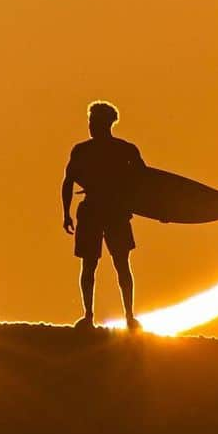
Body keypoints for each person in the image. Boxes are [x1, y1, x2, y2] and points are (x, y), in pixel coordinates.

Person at [61, 101, 144, 330]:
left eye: (93, 122)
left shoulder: (125, 150)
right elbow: (68, 181)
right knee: (92, 266)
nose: (90, 126)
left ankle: (128, 316)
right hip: (96, 212)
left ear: (103, 124)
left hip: (114, 212)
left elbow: (145, 183)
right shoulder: (84, 150)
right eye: (90, 122)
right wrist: (66, 214)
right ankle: (89, 316)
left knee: (120, 265)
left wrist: (162, 210)